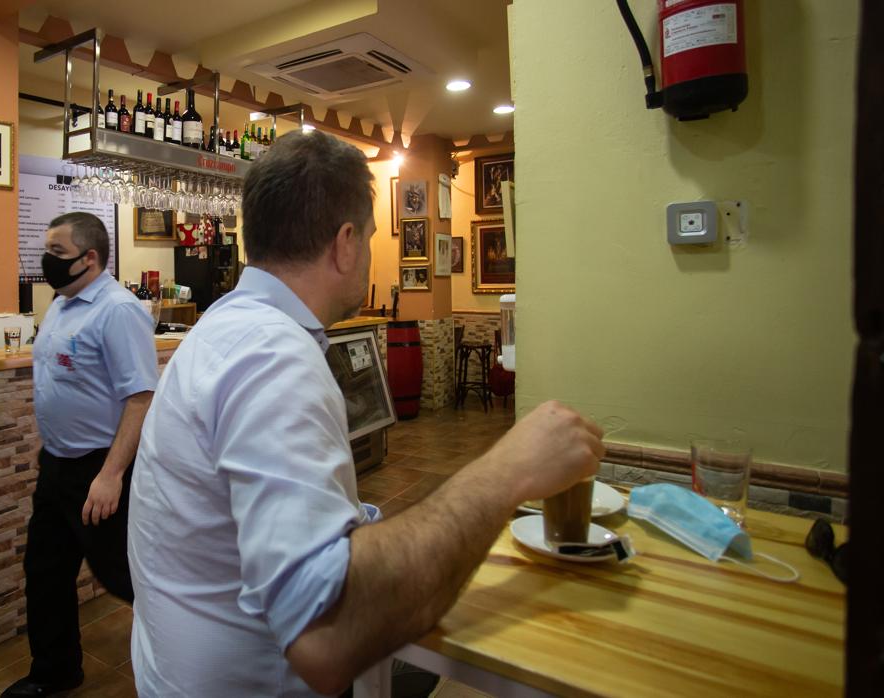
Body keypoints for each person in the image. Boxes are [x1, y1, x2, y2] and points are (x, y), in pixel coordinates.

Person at [127, 130, 604, 696]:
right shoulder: (270, 356)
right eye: (374, 236)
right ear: (346, 243)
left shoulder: (228, 330)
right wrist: (508, 472)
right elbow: (326, 640)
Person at [3, 212, 158, 698]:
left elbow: (141, 398)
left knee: (127, 577)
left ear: (90, 258)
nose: (46, 262)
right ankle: (54, 673)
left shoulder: (118, 310)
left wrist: (111, 475)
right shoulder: (62, 303)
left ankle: (199, 665)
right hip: (58, 467)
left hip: (101, 470)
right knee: (45, 572)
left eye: (57, 253)